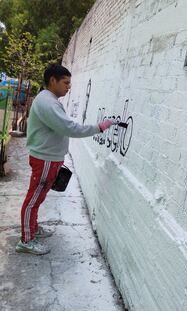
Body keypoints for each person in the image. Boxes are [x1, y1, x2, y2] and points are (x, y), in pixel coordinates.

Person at [15, 64, 114, 255]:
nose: (69, 87)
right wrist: (99, 127)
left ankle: (33, 229)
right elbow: (70, 128)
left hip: (48, 158)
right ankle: (26, 241)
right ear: (53, 80)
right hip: (44, 159)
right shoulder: (48, 103)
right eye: (66, 82)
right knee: (33, 199)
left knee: (38, 197)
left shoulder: (49, 99)